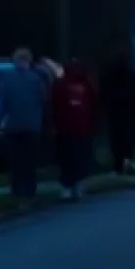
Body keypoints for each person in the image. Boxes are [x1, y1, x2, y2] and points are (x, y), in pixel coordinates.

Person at [0, 48, 48, 200]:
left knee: (16, 159)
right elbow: (43, 100)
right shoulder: (36, 79)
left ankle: (16, 188)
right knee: (29, 159)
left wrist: (1, 122)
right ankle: (30, 188)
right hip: (32, 125)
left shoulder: (7, 78)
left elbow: (3, 103)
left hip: (13, 125)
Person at [50, 58, 100, 199]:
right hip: (67, 129)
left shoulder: (86, 84)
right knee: (68, 159)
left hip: (82, 129)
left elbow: (94, 105)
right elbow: (55, 105)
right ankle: (68, 185)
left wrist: (93, 123)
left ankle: (77, 184)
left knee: (80, 158)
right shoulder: (61, 85)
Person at [103, 53, 135, 175]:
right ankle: (126, 164)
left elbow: (105, 95)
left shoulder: (111, 75)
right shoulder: (131, 76)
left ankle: (119, 165)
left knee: (118, 142)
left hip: (117, 114)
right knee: (127, 142)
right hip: (127, 114)